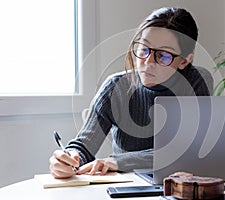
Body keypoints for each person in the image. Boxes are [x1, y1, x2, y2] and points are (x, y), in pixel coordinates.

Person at [49, 7, 212, 179]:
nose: (147, 62)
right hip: (127, 186)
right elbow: (84, 145)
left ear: (185, 61)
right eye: (144, 49)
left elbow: (187, 151)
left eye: (163, 55)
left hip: (179, 186)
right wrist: (69, 158)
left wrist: (118, 162)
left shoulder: (197, 81)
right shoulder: (115, 87)